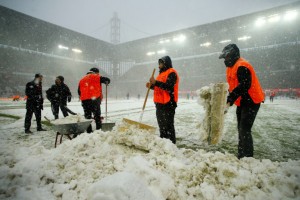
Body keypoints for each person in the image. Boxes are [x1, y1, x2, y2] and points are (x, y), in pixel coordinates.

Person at [219, 44, 264, 159]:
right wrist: (229, 98)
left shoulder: (242, 65)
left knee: (244, 129)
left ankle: (248, 157)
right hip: (242, 101)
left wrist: (231, 98)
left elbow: (244, 85)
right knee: (240, 129)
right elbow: (233, 86)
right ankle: (241, 155)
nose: (225, 60)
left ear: (233, 55)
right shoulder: (230, 68)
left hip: (251, 100)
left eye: (226, 57)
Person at [147, 55, 179, 144]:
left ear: (165, 63)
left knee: (168, 126)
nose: (159, 66)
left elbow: (169, 87)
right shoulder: (161, 74)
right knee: (162, 126)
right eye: (159, 64)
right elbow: (159, 87)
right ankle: (163, 144)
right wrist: (152, 86)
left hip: (169, 103)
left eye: (160, 63)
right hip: (159, 104)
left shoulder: (172, 73)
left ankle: (171, 144)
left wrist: (155, 82)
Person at [78, 67, 110, 133]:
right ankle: (98, 130)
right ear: (96, 73)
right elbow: (107, 79)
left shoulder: (82, 80)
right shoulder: (96, 77)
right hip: (94, 100)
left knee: (87, 117)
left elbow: (79, 91)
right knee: (97, 116)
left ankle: (89, 131)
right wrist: (107, 82)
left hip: (85, 101)